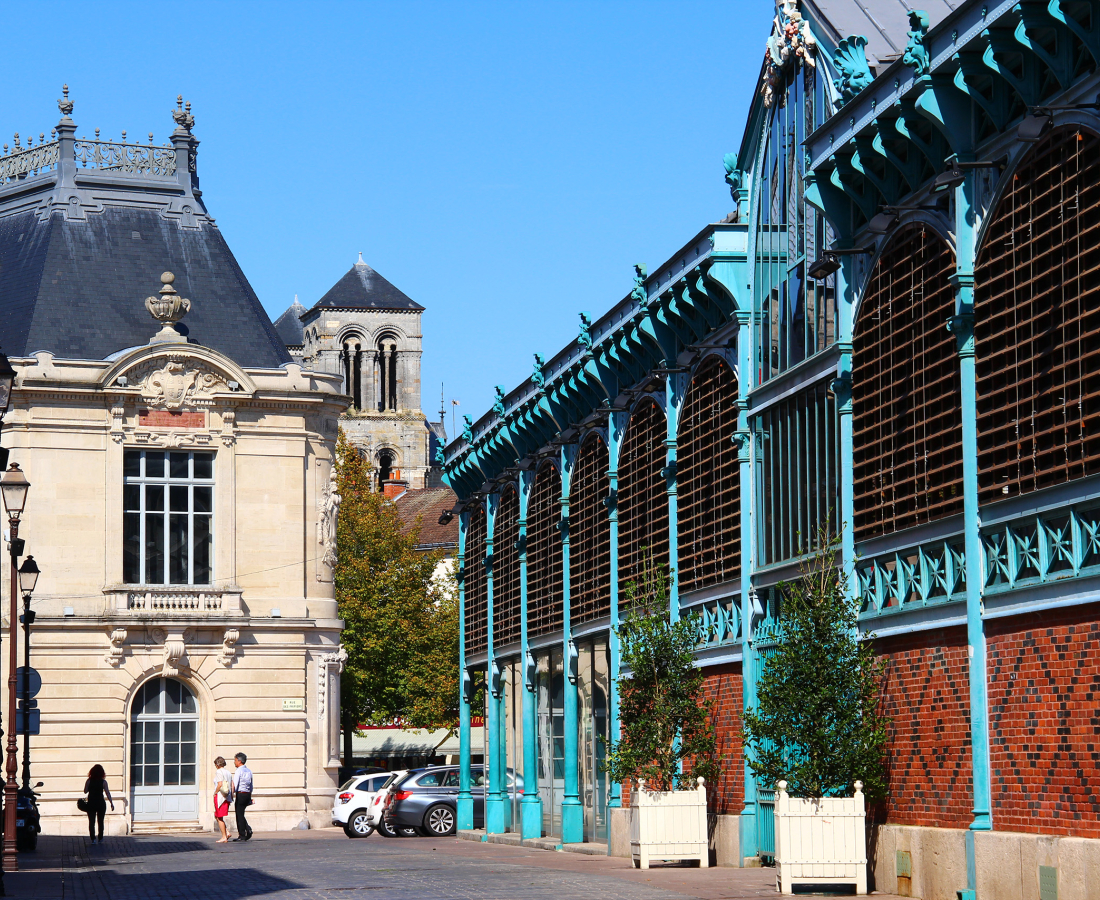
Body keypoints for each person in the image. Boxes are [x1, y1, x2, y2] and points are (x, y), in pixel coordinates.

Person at [84, 764, 114, 843]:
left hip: (91, 803)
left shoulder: (89, 781)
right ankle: (100, 838)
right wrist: (111, 803)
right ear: (102, 773)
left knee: (91, 822)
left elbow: (85, 791)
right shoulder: (103, 782)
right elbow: (107, 793)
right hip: (101, 803)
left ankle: (93, 838)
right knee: (100, 821)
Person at [231, 752, 253, 842]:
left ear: (239, 761)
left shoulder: (238, 771)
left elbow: (235, 784)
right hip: (247, 793)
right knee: (241, 813)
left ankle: (242, 835)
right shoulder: (249, 771)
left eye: (235, 760)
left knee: (239, 814)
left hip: (240, 794)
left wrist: (231, 794)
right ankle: (248, 829)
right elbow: (251, 785)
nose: (234, 762)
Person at [213, 756, 233, 842]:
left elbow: (220, 784)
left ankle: (224, 836)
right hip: (227, 796)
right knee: (217, 815)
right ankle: (227, 832)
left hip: (221, 796)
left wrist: (215, 792)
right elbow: (232, 785)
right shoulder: (228, 772)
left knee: (219, 816)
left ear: (217, 764)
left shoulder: (219, 772)